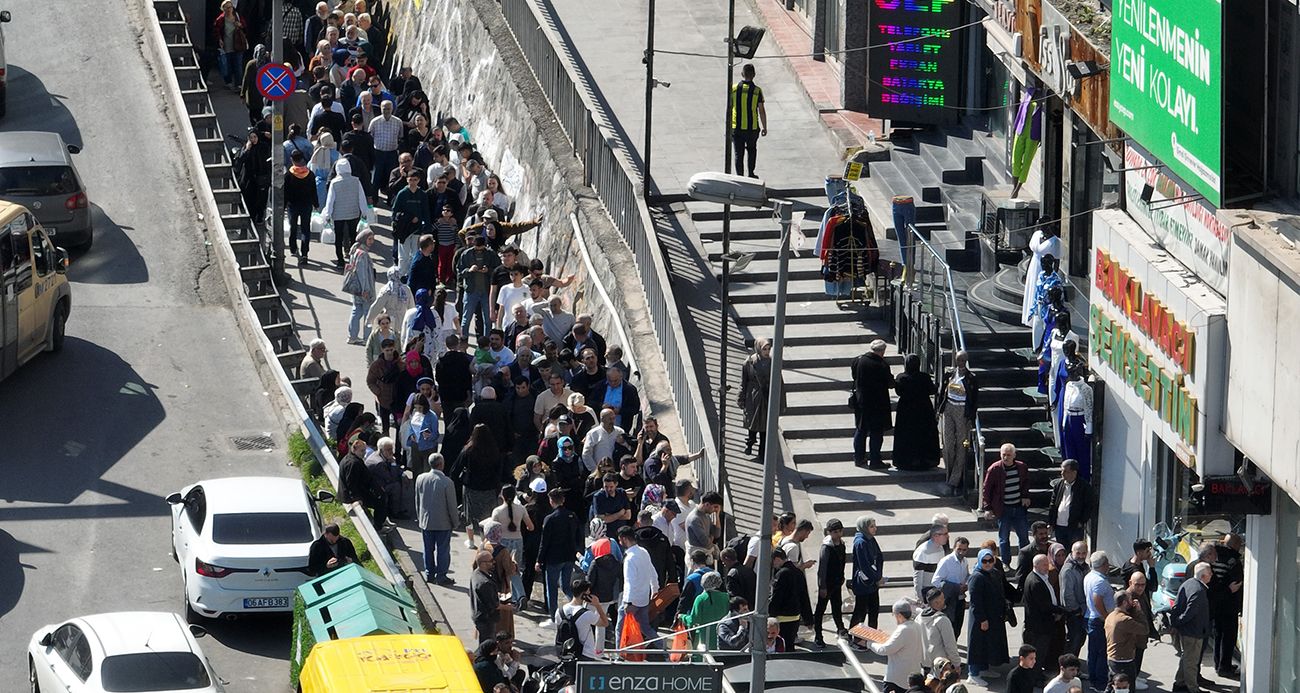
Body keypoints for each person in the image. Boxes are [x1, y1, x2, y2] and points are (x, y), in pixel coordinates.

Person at [537, 488, 583, 625]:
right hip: (569, 557)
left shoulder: (549, 519)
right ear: (563, 500)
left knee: (552, 589)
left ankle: (553, 618)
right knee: (566, 586)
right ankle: (578, 610)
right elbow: (579, 536)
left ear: (551, 501)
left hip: (553, 559)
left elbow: (544, 542)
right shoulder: (572, 516)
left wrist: (539, 560)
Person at [457, 423, 507, 549]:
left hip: (471, 488)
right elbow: (499, 469)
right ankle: (484, 541)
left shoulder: (468, 449)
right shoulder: (494, 450)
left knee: (470, 515)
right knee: (487, 516)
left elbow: (455, 468)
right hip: (489, 488)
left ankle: (471, 540)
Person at [935, 350, 978, 494]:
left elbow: (974, 399)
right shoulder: (949, 374)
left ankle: (955, 479)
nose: (961, 363)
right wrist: (938, 409)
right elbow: (942, 392)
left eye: (964, 360)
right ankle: (949, 473)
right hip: (949, 409)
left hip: (962, 412)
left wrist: (970, 417)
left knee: (961, 445)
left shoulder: (971, 378)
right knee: (948, 444)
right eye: (959, 360)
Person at [965, 549, 1009, 687]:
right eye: (984, 561)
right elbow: (975, 602)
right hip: (981, 618)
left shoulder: (994, 573)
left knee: (988, 644)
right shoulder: (976, 577)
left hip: (994, 617)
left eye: (990, 561)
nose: (988, 564)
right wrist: (982, 619)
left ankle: (983, 668)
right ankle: (973, 674)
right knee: (978, 645)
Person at [982, 443, 1031, 565]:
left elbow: (1026, 482)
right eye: (1003, 455)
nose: (1006, 458)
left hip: (1019, 508)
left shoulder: (1021, 467)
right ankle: (1006, 563)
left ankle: (1024, 563)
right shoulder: (994, 469)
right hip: (1003, 509)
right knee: (1004, 538)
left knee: (1024, 537)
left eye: (1009, 455)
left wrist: (1025, 496)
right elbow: (986, 488)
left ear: (1014, 455)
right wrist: (987, 507)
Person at [414, 453, 459, 585]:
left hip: (426, 522)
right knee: (443, 550)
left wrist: (420, 517)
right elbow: (451, 505)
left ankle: (429, 574)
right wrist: (455, 522)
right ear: (441, 464)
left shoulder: (420, 478)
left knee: (428, 549)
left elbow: (418, 500)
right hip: (443, 523)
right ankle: (441, 576)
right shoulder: (447, 482)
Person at [851, 340, 894, 469]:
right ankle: (875, 460)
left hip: (861, 401)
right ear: (882, 351)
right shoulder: (881, 364)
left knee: (861, 430)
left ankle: (859, 458)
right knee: (876, 432)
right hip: (878, 404)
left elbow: (854, 376)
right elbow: (890, 383)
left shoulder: (857, 360)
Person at [893, 354, 940, 471]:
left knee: (906, 435)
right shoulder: (923, 377)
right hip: (923, 409)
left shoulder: (901, 377)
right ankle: (924, 460)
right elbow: (932, 390)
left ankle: (906, 461)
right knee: (923, 434)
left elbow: (898, 392)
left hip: (906, 410)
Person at [1023, 553, 1066, 682]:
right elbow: (1044, 606)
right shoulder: (1035, 582)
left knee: (1041, 652)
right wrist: (1061, 611)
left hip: (1042, 623)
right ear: (1035, 566)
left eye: (1047, 564)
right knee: (1038, 654)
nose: (1047, 567)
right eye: (1044, 565)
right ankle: (1036, 679)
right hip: (1040, 625)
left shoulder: (1041, 578)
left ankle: (1038, 675)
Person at [616, 525, 659, 652]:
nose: (620, 542)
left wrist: (628, 602)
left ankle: (619, 656)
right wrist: (654, 589)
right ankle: (664, 649)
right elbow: (653, 572)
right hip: (643, 599)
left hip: (632, 600)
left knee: (620, 629)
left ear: (624, 539)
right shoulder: (643, 552)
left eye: (620, 539)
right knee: (646, 628)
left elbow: (629, 582)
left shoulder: (629, 559)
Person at [1171, 562, 1212, 693]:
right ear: (1203, 576)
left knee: (1186, 658)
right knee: (1191, 662)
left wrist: (1176, 622)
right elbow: (1190, 612)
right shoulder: (1199, 591)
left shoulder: (1187, 584)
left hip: (1188, 631)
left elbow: (1177, 606)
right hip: (1194, 632)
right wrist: (1179, 622)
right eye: (1210, 573)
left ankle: (1180, 683)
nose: (1211, 575)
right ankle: (1192, 689)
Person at [739, 337, 782, 458]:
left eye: (768, 349)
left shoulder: (773, 363)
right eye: (764, 349)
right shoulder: (749, 362)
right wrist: (740, 397)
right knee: (752, 423)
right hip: (752, 397)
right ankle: (750, 444)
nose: (767, 352)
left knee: (764, 427)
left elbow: (779, 382)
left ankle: (762, 454)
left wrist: (780, 402)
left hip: (766, 398)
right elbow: (744, 381)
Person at [869, 600, 924, 693]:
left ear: (900, 615)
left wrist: (868, 643)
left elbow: (885, 649)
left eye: (894, 614)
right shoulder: (916, 626)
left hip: (896, 680)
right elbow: (901, 643)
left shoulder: (903, 630)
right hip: (911, 676)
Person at [322, 158, 368, 267]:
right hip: (353, 213)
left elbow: (330, 200)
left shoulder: (334, 182)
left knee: (339, 237)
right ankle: (353, 258)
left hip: (338, 214)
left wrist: (328, 214)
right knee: (353, 236)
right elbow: (361, 197)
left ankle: (340, 261)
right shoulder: (356, 181)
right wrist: (364, 211)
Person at [1210, 533, 1244, 677]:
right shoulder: (1233, 562)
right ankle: (1225, 667)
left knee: (1218, 635)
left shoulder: (1216, 557)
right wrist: (1241, 607)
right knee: (1228, 637)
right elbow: (1237, 586)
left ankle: (1218, 663)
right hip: (1229, 606)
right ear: (1235, 545)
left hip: (1216, 604)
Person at [339, 437, 388, 529]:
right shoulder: (353, 463)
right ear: (353, 450)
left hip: (359, 490)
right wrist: (357, 498)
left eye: (364, 450)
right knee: (380, 502)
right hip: (355, 494)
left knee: (380, 499)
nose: (364, 453)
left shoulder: (352, 459)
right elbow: (351, 483)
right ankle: (379, 527)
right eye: (361, 451)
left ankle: (381, 522)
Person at [813, 518, 847, 648]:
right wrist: (822, 586)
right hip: (827, 583)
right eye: (835, 532)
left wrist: (842, 576)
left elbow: (842, 562)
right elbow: (822, 568)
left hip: (837, 582)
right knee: (821, 609)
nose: (838, 534)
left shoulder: (841, 545)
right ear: (829, 533)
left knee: (837, 607)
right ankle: (818, 635)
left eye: (839, 531)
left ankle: (840, 628)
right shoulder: (826, 548)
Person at [770, 548, 814, 648]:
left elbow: (777, 597)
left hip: (782, 617)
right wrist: (808, 619)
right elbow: (804, 596)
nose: (773, 566)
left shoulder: (781, 574)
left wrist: (770, 614)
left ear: (777, 560)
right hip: (795, 617)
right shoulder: (798, 572)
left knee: (782, 646)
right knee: (790, 644)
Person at [729, 63, 767, 178]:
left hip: (737, 127)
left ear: (742, 74)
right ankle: (751, 174)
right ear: (754, 75)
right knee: (751, 151)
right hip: (752, 128)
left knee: (738, 154)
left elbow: (729, 108)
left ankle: (739, 176)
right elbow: (761, 111)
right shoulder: (757, 91)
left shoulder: (734, 89)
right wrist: (765, 127)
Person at [1083, 551, 1114, 687]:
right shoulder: (1100, 581)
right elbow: (1097, 600)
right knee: (1102, 653)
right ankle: (1099, 683)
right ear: (1105, 563)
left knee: (1093, 652)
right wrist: (1106, 617)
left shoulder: (1089, 576)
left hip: (1091, 618)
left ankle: (1093, 680)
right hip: (1098, 621)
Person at [1105, 589, 1148, 687]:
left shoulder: (1110, 616)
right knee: (1127, 687)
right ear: (1124, 602)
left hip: (1112, 657)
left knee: (1112, 685)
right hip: (1124, 660)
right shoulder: (1125, 620)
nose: (1132, 601)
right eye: (1130, 599)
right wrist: (1139, 611)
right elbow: (1144, 629)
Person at [1048, 459, 1095, 550]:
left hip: (1074, 527)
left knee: (1074, 551)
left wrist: (1081, 521)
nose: (1062, 473)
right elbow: (1053, 504)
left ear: (1074, 473)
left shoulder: (1084, 486)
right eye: (1061, 470)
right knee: (1061, 551)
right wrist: (1051, 522)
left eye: (1065, 471)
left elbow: (1089, 506)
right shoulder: (1059, 485)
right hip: (1059, 526)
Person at [557, 579, 607, 660]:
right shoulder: (587, 614)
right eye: (588, 592)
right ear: (583, 595)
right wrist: (597, 605)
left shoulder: (559, 611)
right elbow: (605, 623)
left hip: (566, 652)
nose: (590, 593)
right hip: (585, 654)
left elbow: (559, 631)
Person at [850, 515, 885, 629]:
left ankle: (872, 636)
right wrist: (877, 578)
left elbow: (879, 557)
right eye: (871, 526)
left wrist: (878, 574)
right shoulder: (860, 543)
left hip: (872, 582)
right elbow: (864, 565)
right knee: (860, 611)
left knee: (874, 610)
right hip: (863, 584)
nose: (875, 529)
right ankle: (854, 636)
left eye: (875, 526)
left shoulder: (870, 539)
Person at [285, 148, 320, 260]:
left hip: (292, 205)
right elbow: (313, 191)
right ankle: (305, 252)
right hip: (306, 205)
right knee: (305, 229)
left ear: (291, 159)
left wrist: (284, 205)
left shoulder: (288, 175)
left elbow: (286, 192)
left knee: (293, 227)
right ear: (302, 160)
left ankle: (293, 248)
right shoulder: (310, 174)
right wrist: (316, 204)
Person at [344, 229, 377, 345]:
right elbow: (363, 274)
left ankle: (352, 336)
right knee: (368, 314)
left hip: (356, 290)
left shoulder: (355, 251)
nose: (371, 242)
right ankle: (367, 339)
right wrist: (366, 290)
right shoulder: (362, 254)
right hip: (364, 290)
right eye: (369, 239)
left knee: (356, 312)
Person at [682, 571, 730, 652]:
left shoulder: (701, 598)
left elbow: (694, 619)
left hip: (704, 636)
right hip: (721, 635)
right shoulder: (726, 597)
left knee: (703, 658)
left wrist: (682, 617)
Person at [932, 536, 969, 633]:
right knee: (949, 629)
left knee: (957, 628)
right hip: (948, 601)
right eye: (959, 549)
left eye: (964, 550)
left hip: (961, 600)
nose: (961, 552)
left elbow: (966, 578)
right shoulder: (947, 561)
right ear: (954, 548)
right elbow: (936, 581)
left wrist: (967, 585)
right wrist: (956, 588)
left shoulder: (965, 562)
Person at [917, 588, 959, 673]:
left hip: (925, 664)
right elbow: (950, 645)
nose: (944, 599)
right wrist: (956, 663)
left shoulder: (919, 618)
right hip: (941, 666)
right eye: (942, 598)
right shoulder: (942, 620)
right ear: (937, 603)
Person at [212, 0, 248, 89]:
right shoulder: (220, 19)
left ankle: (238, 84)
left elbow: (245, 27)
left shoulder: (237, 17)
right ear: (223, 9)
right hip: (227, 44)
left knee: (238, 65)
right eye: (226, 8)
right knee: (227, 64)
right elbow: (216, 31)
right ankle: (228, 82)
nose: (229, 9)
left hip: (238, 44)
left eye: (230, 7)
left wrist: (240, 25)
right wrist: (220, 40)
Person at [471, 551, 501, 644]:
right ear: (483, 564)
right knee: (487, 644)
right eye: (491, 561)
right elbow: (493, 605)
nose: (494, 562)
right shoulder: (485, 583)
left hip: (478, 615)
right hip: (486, 619)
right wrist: (507, 606)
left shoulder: (476, 573)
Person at [912, 524, 947, 599]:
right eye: (945, 534)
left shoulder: (941, 548)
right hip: (926, 591)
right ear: (936, 536)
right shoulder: (923, 551)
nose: (948, 537)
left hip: (937, 589)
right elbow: (918, 575)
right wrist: (919, 595)